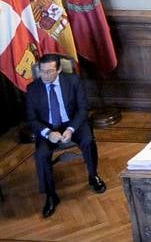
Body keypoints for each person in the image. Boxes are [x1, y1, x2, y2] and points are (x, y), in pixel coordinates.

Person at [27, 54, 104, 218]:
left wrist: (70, 129)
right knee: (41, 155)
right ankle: (50, 195)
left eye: (49, 71)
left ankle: (93, 176)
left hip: (72, 122)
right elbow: (32, 119)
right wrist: (48, 133)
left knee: (88, 140)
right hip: (48, 128)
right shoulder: (33, 89)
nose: (45, 75)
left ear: (59, 69)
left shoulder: (73, 81)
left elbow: (83, 108)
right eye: (42, 71)